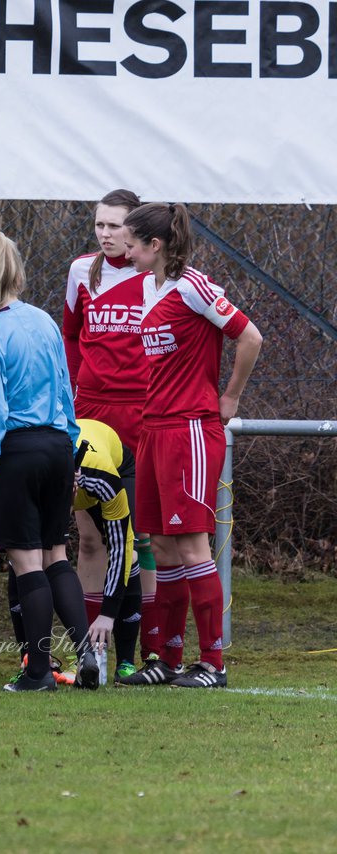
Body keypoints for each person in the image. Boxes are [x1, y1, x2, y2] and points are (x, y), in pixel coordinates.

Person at [118, 203, 262, 688]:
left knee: (193, 545)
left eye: (131, 241)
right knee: (159, 544)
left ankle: (213, 664)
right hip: (153, 428)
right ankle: (167, 659)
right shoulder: (144, 286)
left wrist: (230, 396)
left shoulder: (194, 286)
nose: (124, 248)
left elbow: (250, 337)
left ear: (155, 246)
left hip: (191, 429)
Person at [0, 232, 99, 693]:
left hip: (17, 452)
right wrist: (72, 446)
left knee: (27, 564)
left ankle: (38, 671)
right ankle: (87, 655)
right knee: (56, 555)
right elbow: (66, 392)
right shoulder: (44, 322)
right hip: (58, 448)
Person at [62, 189, 159, 677]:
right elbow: (71, 337)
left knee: (137, 537)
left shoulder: (153, 274)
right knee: (90, 536)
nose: (105, 234)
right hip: (92, 413)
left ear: (136, 230)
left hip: (141, 414)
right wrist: (76, 395)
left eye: (115, 225)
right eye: (99, 224)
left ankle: (137, 652)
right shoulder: (82, 270)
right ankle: (90, 649)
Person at [72, 419, 143, 681]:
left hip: (114, 466)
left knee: (128, 549)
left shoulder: (101, 478)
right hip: (69, 469)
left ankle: (125, 661)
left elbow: (120, 547)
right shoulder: (34, 479)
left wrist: (107, 614)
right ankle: (83, 653)